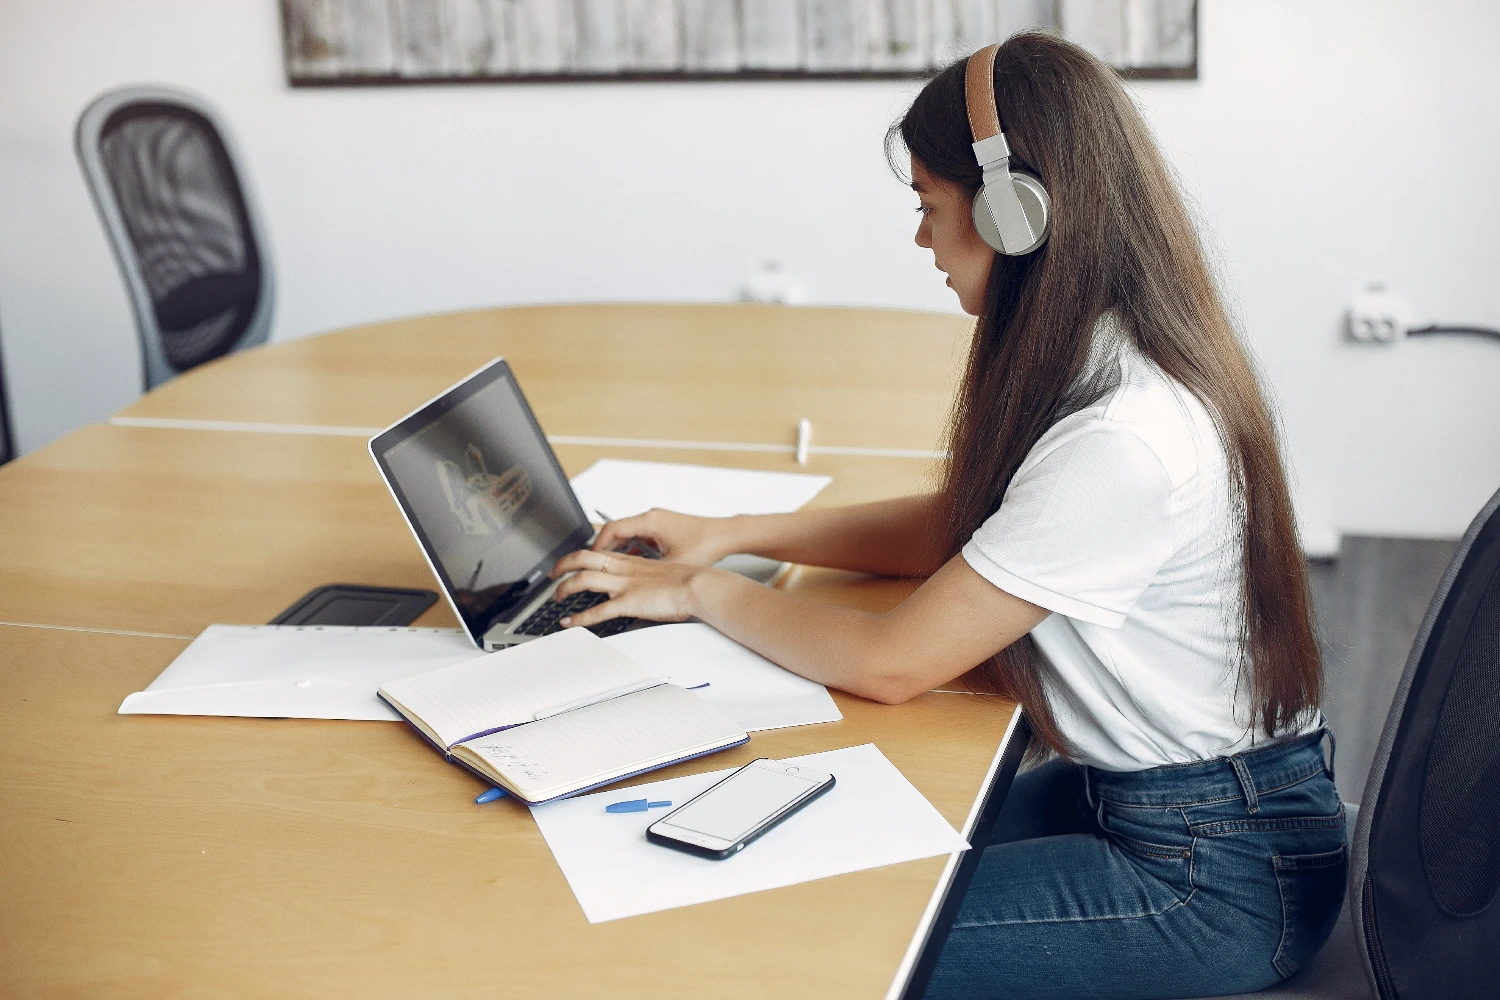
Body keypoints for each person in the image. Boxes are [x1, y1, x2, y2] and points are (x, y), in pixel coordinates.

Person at [549, 32, 1345, 1000]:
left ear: (1015, 215)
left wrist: (701, 590)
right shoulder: (1111, 356)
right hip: (1173, 811)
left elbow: (893, 663)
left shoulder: (1126, 436)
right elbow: (975, 528)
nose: (922, 238)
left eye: (928, 208)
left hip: (1208, 877)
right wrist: (735, 532)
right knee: (794, 850)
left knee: (801, 938)